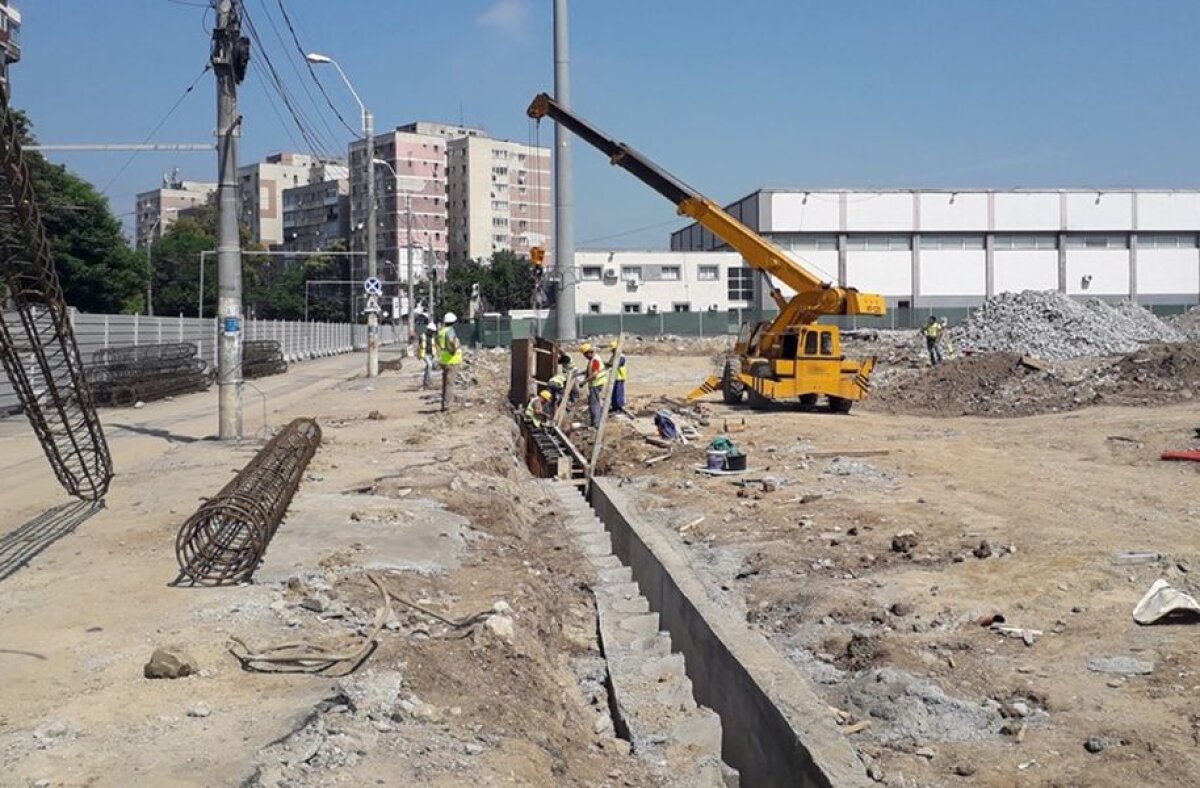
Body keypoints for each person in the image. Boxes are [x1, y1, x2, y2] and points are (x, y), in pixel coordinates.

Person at [437, 312, 463, 412]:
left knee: (445, 384)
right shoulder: (450, 331)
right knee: (450, 384)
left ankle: (444, 404)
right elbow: (452, 342)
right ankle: (448, 406)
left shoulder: (441, 331)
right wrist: (453, 350)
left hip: (444, 360)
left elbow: (437, 342)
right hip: (452, 360)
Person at [580, 342, 607, 428]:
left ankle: (595, 424)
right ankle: (594, 422)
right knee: (594, 403)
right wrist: (583, 372)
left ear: (589, 352)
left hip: (596, 384)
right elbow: (592, 370)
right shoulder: (593, 359)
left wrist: (584, 382)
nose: (585, 357)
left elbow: (595, 374)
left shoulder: (595, 360)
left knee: (594, 404)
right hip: (595, 384)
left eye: (585, 355)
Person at [607, 339, 628, 414]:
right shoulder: (614, 356)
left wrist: (609, 365)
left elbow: (616, 365)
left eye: (613, 349)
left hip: (619, 377)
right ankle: (614, 406)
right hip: (614, 377)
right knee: (613, 393)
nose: (612, 351)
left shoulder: (621, 356)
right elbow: (610, 363)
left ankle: (619, 407)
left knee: (618, 393)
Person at [417, 322, 438, 390]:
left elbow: (434, 345)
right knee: (430, 365)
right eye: (431, 331)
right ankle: (429, 380)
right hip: (424, 354)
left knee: (427, 368)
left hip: (431, 354)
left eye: (433, 332)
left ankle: (425, 383)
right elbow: (419, 346)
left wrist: (435, 353)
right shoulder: (422, 336)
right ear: (428, 330)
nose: (432, 333)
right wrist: (418, 355)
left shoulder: (433, 337)